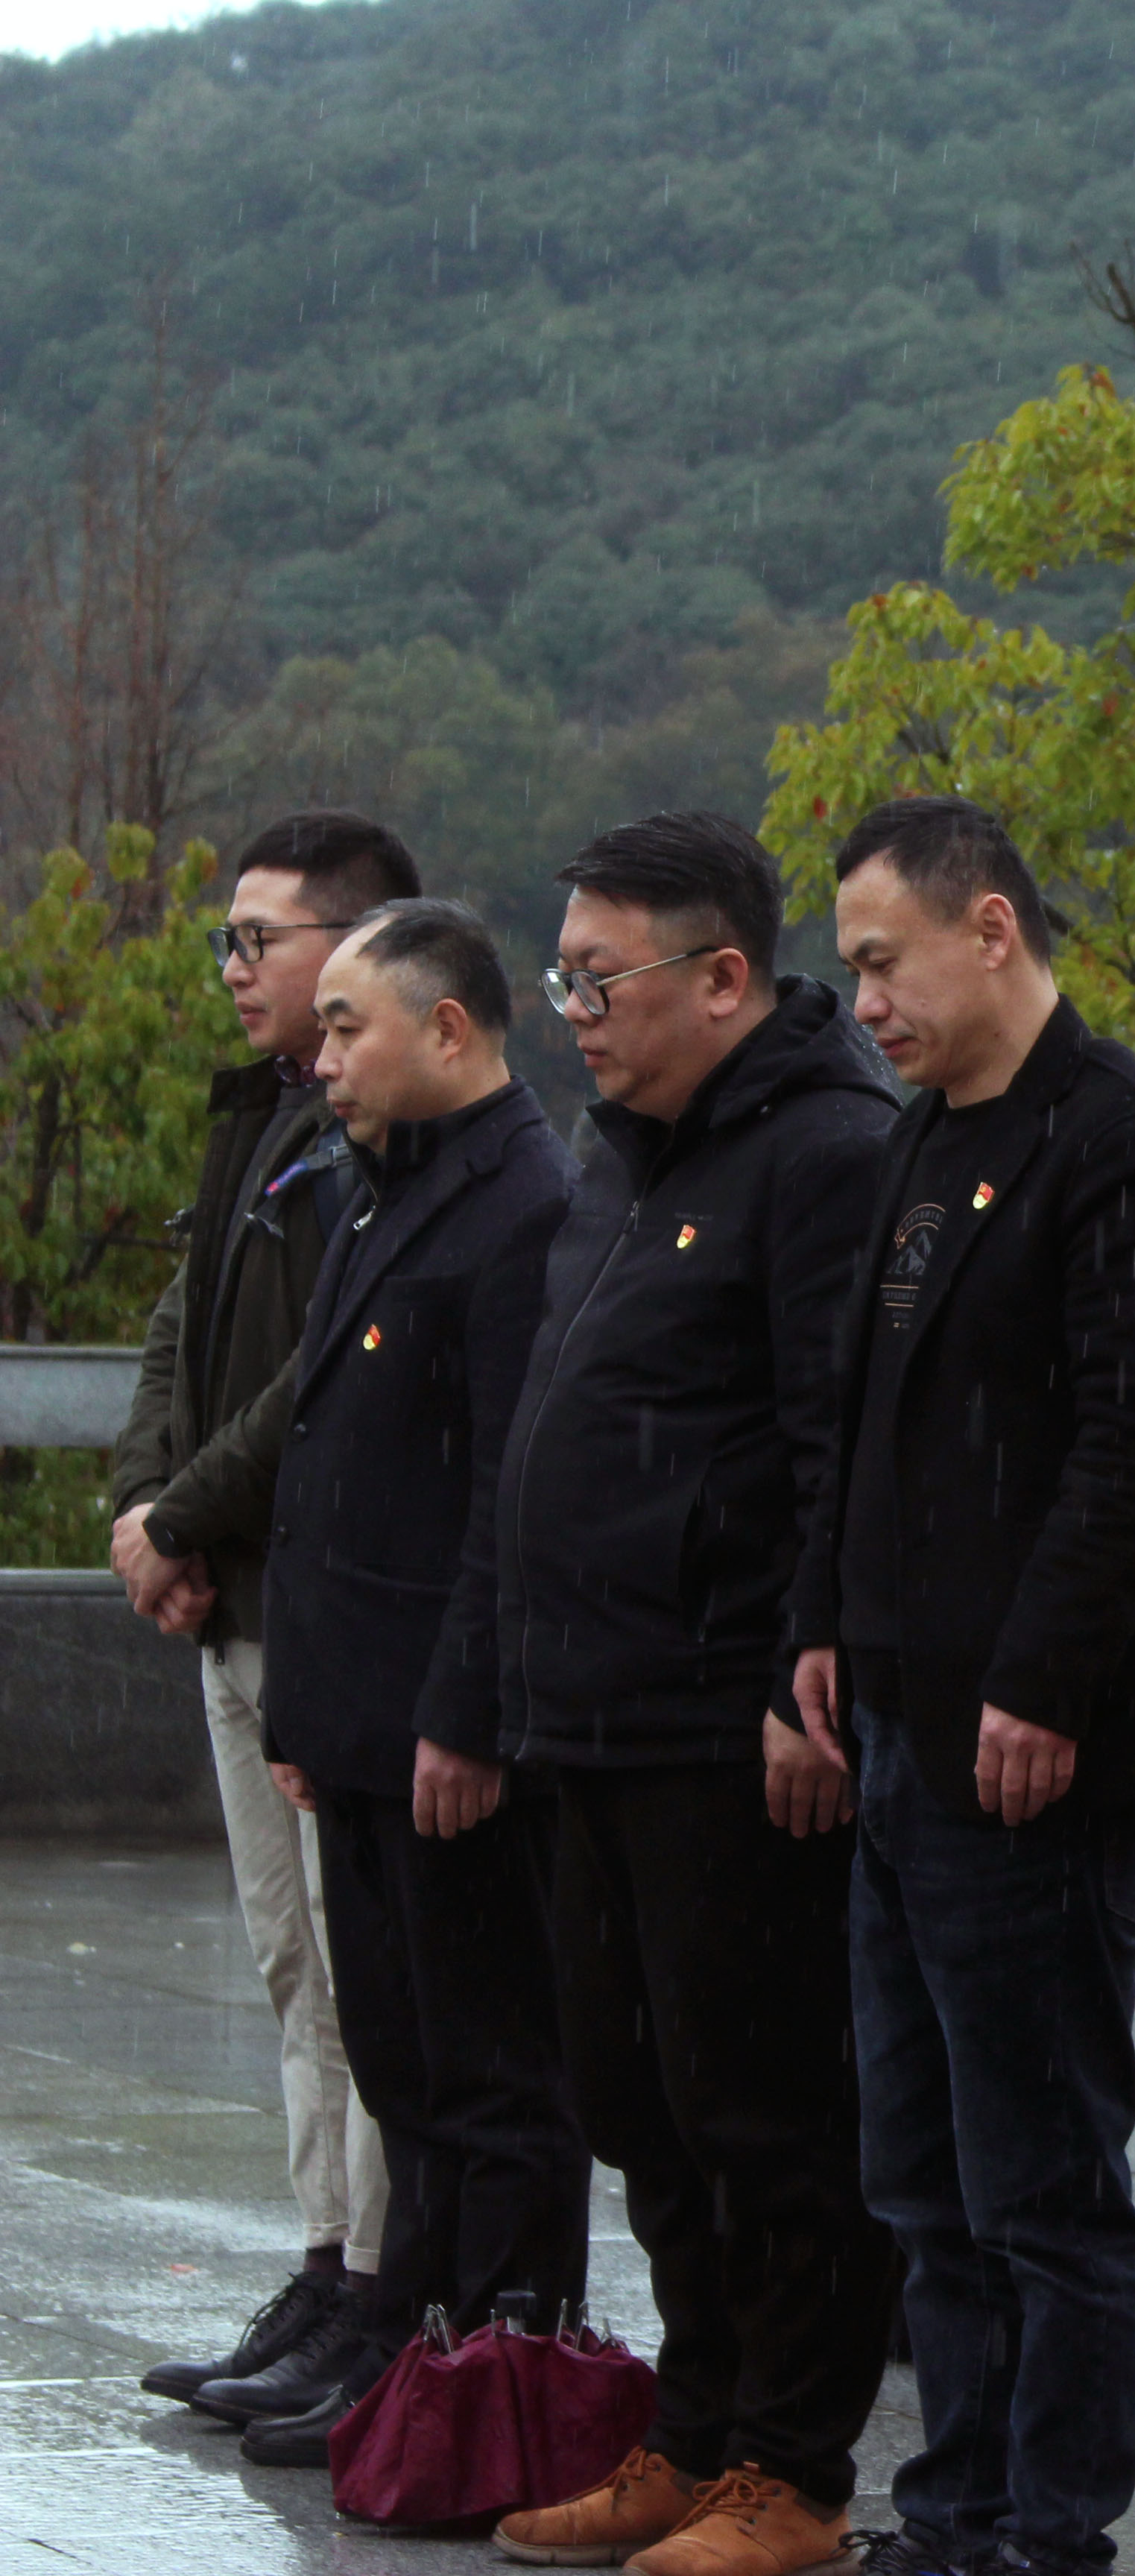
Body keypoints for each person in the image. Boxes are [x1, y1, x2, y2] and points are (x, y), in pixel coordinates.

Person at [786, 795, 1135, 2576]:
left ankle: (1052, 2530)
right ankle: (951, 2507)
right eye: (850, 971)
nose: (866, 1003)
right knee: (919, 2168)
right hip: (898, 1723)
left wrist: (1042, 1680)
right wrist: (822, 1618)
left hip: (1037, 1744)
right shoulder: (920, 1138)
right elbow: (859, 1417)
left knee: (1043, 2173)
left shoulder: (1123, 1147)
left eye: (883, 962)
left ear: (990, 929)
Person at [486, 813, 902, 2576]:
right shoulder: (624, 1155)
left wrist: (805, 1682)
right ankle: (700, 2425)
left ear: (723, 976)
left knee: (763, 2110)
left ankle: (792, 2471)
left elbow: (835, 1448)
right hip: (584, 1705)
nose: (573, 1012)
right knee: (632, 2104)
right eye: (562, 978)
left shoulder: (825, 1150)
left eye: (602, 980)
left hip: (726, 1720)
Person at [246, 899, 592, 2467]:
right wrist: (312, 1719)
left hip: (447, 1736)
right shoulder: (386, 1184)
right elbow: (336, 1465)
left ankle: (499, 2379)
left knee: (488, 2076)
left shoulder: (521, 1205)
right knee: (401, 2061)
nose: (321, 1058)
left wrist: (463, 1712)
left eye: (347, 1026)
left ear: (447, 1029)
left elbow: (502, 1499)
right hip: (363, 1723)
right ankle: (413, 2353)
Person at [110, 812, 419, 2424]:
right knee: (293, 1971)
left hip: (319, 1610)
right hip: (230, 1600)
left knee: (365, 1985)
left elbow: (320, 1378)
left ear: (358, 949)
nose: (235, 968)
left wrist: (183, 1517)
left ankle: (375, 2293)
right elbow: (184, 1325)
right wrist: (144, 1503)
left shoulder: (381, 1140)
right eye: (226, 940)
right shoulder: (264, 1118)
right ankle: (319, 2262)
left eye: (261, 941)